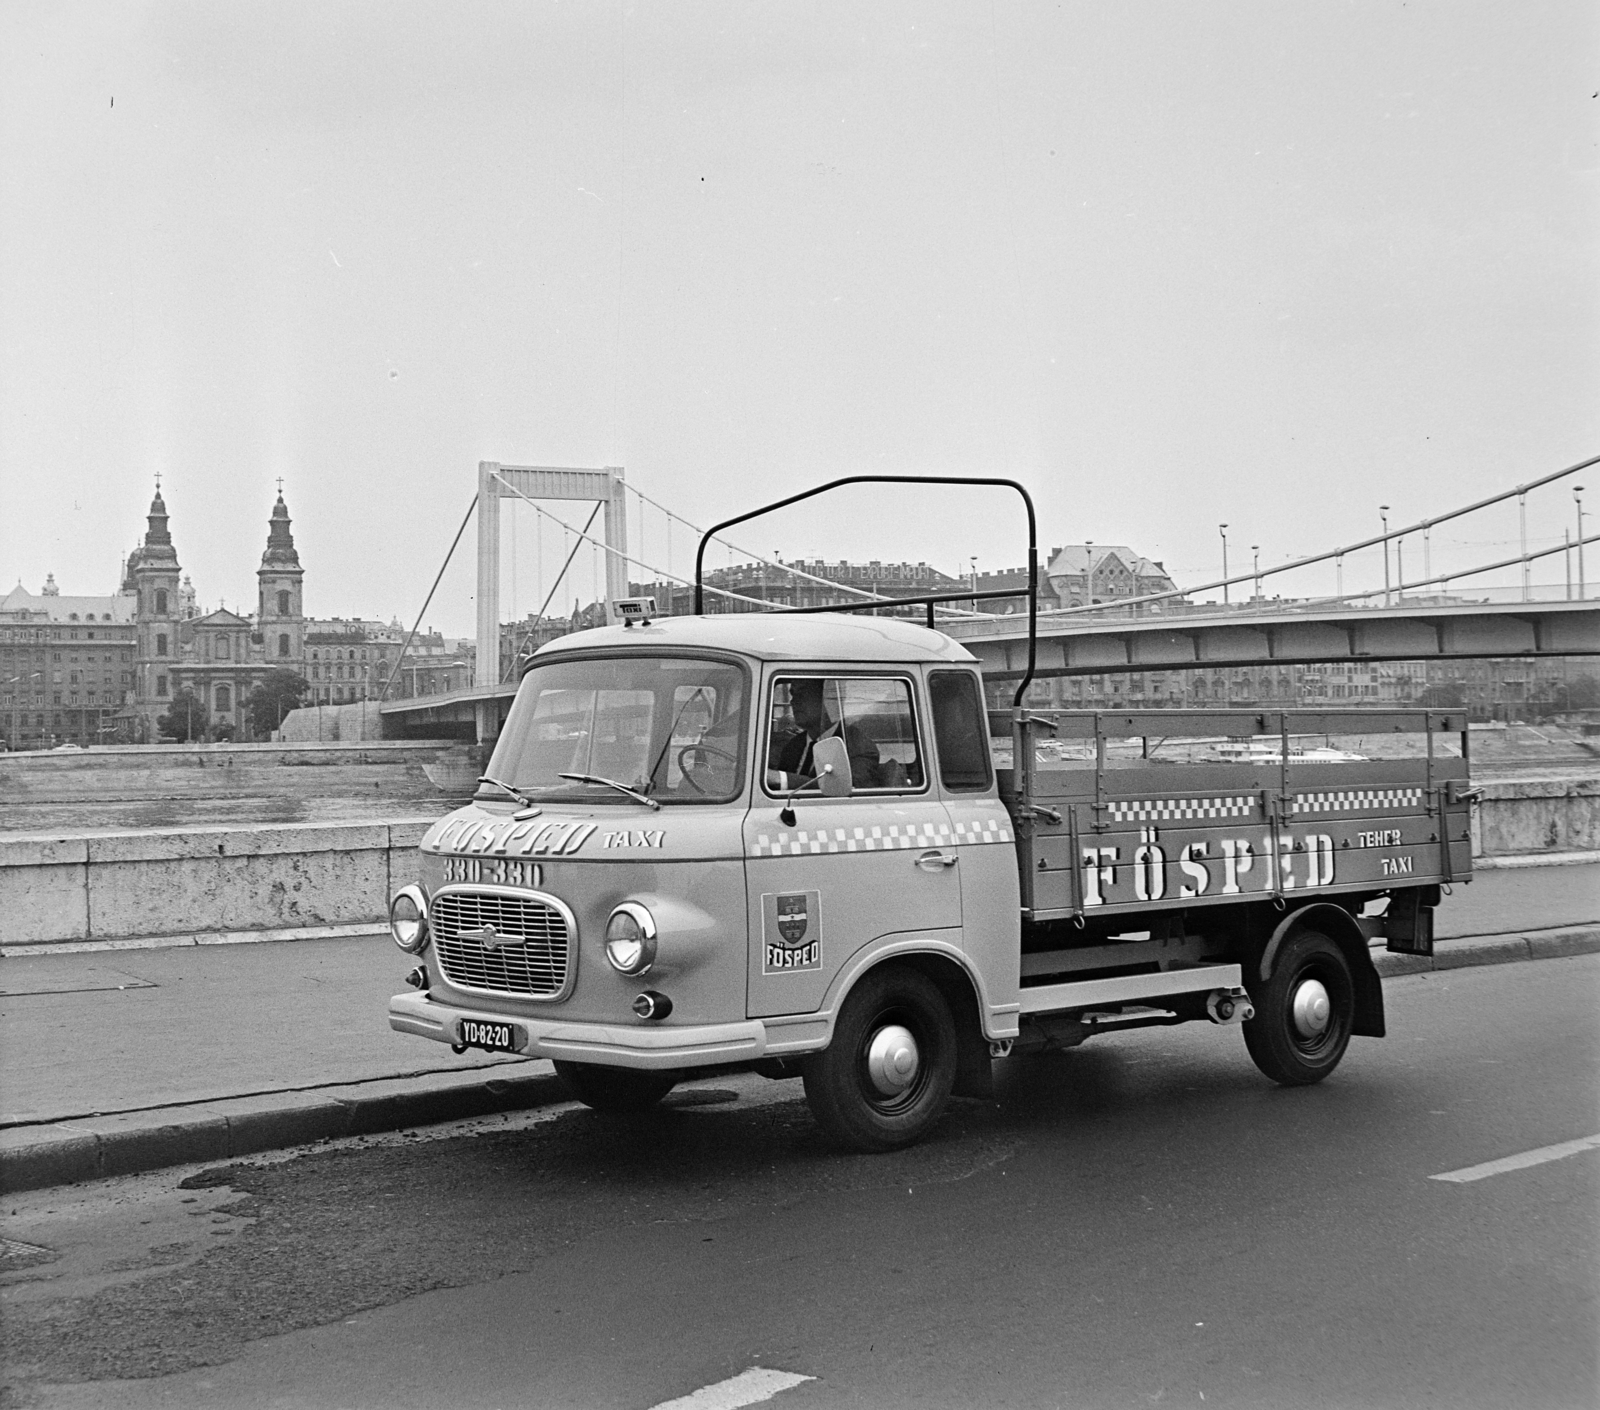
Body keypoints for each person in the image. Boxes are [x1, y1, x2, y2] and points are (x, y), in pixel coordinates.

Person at [768, 678, 884, 789]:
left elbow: (848, 788)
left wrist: (782, 779)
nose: (794, 702)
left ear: (827, 700)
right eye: (793, 695)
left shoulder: (859, 747)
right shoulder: (793, 745)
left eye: (803, 694)